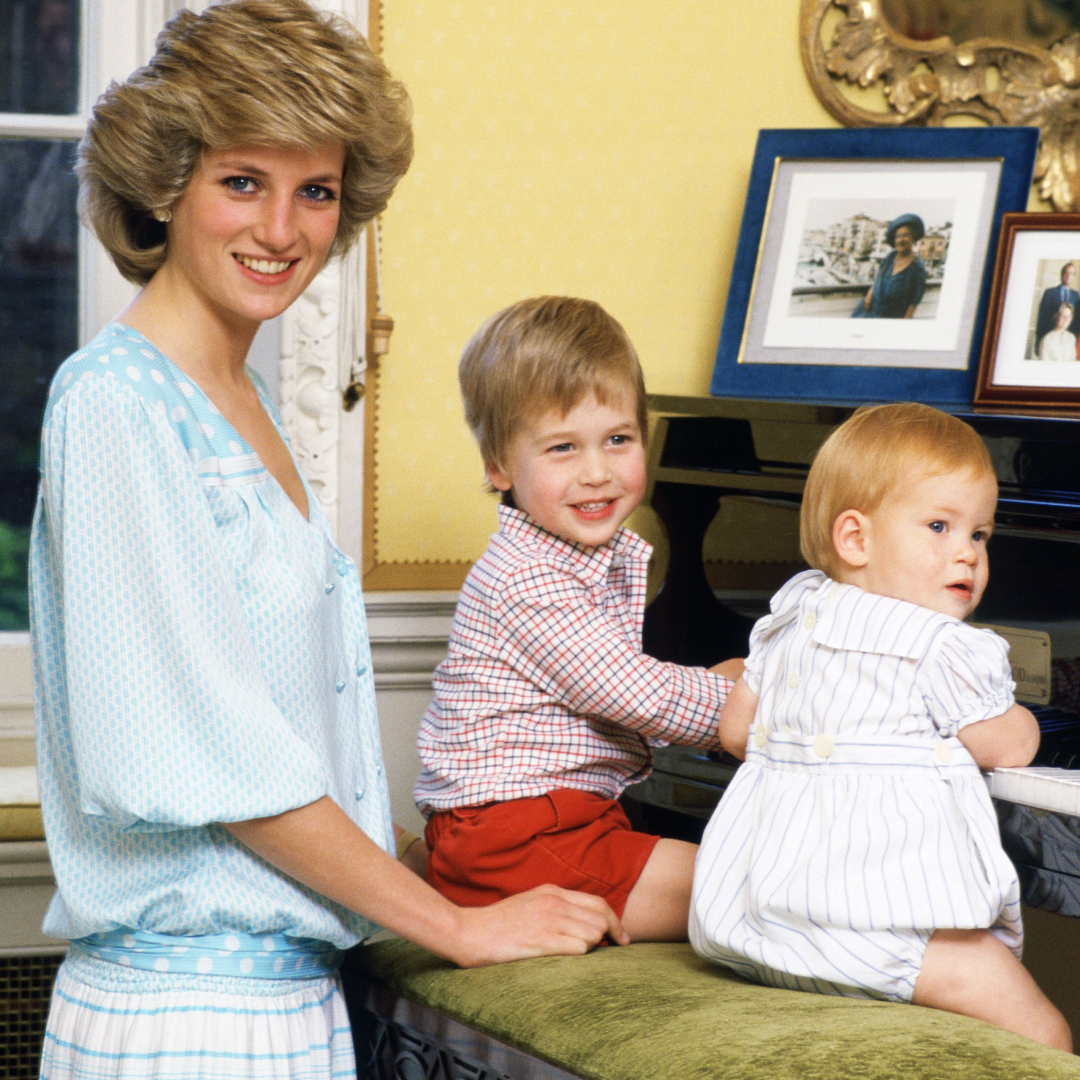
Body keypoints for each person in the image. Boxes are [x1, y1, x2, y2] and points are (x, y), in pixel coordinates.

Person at [31, 5, 626, 1078]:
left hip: (286, 1003)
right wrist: (455, 923)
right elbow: (214, 759)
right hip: (187, 1017)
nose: (283, 230)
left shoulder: (239, 397)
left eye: (315, 191)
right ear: (167, 183)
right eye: (243, 180)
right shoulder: (115, 403)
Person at [689, 403, 1072, 1052]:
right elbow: (1008, 745)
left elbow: (732, 732)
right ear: (855, 539)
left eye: (979, 534)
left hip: (753, 920)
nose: (967, 553)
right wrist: (1028, 721)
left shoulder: (790, 615)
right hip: (881, 929)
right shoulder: (942, 647)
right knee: (1046, 1032)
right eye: (939, 525)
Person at [414, 296, 743, 942]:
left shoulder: (573, 556)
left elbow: (628, 689)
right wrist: (738, 705)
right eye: (563, 447)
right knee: (750, 888)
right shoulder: (528, 578)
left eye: (618, 439)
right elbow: (631, 691)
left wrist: (721, 690)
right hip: (518, 836)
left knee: (741, 877)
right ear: (499, 466)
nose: (597, 473)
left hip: (554, 822)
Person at [852, 213, 928, 319]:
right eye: (898, 237)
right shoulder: (890, 257)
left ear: (913, 238)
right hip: (869, 310)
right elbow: (879, 278)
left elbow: (914, 302)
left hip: (891, 317)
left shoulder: (917, 268)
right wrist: (869, 295)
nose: (900, 240)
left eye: (905, 235)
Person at [1034, 262, 1080, 353]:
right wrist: (1038, 343)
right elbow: (1041, 320)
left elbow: (1076, 322)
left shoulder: (1076, 296)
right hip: (1050, 340)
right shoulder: (1050, 293)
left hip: (1067, 342)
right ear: (1062, 274)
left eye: (1072, 273)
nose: (1069, 276)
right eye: (1066, 272)